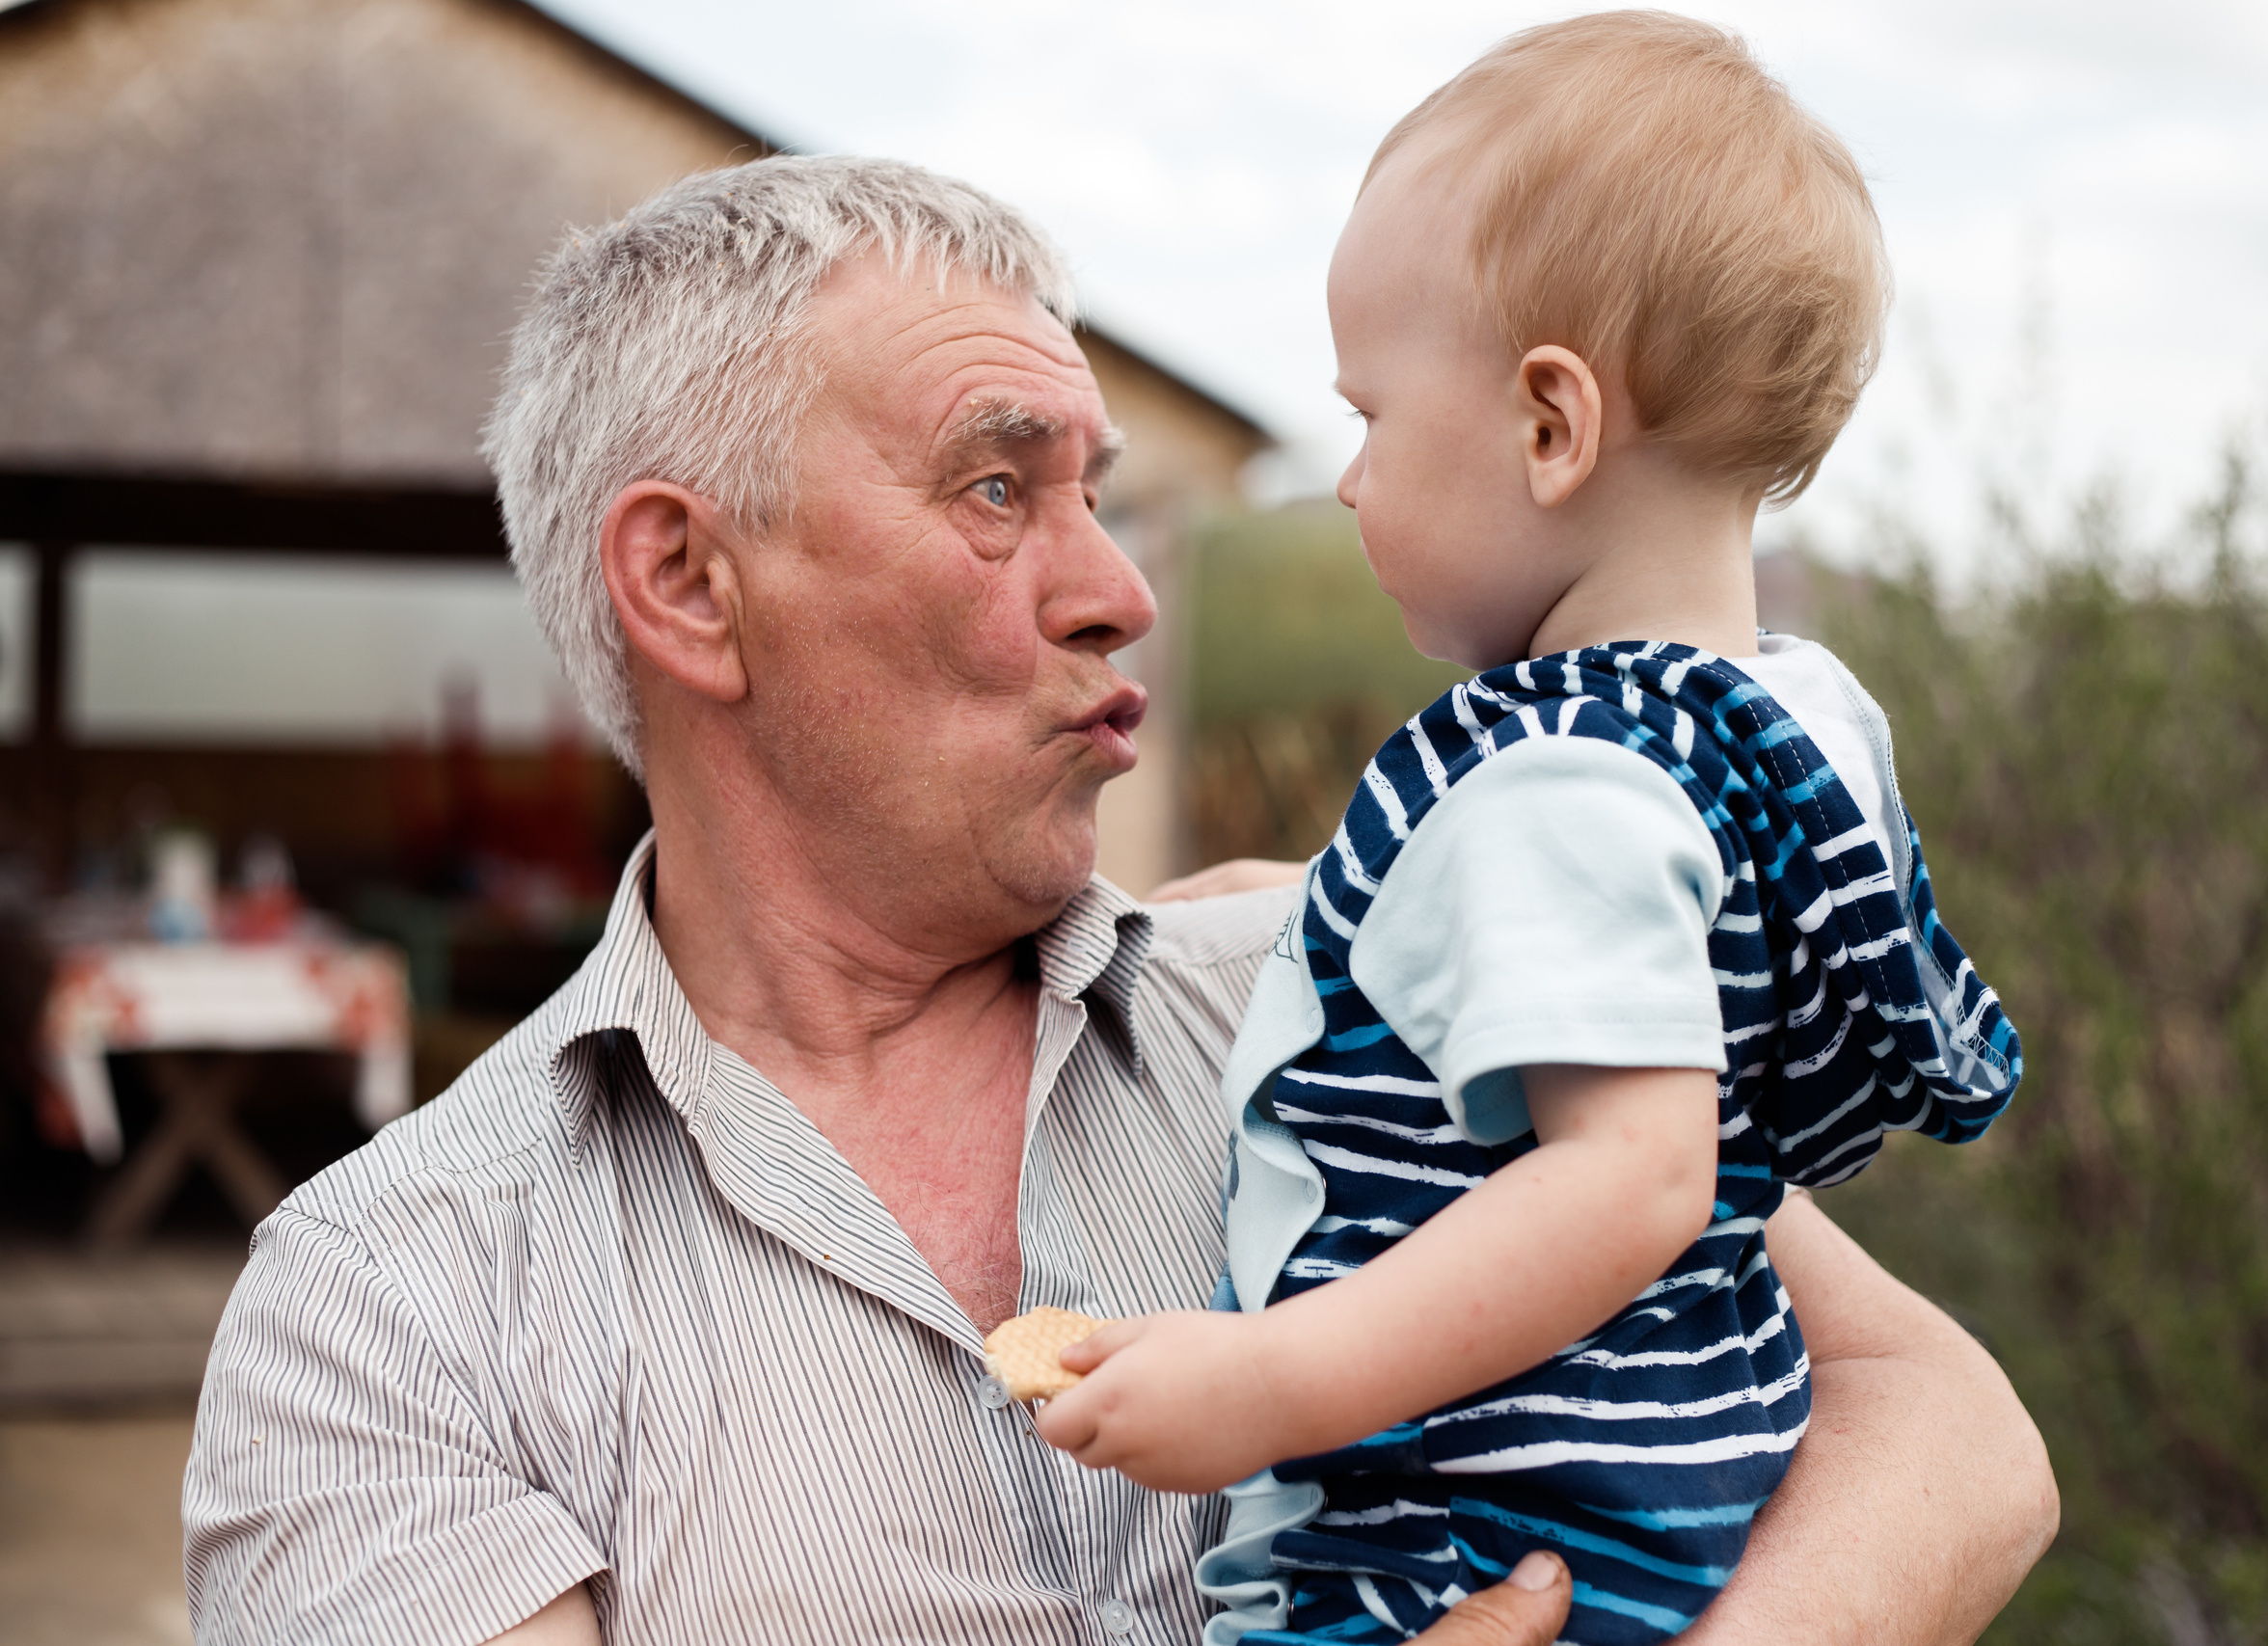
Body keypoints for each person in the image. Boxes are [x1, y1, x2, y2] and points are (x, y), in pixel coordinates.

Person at [182, 154, 2055, 1646]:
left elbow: (1946, 1425)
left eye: (1106, 497)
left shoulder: (1336, 979)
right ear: (686, 582)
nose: (1116, 592)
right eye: (998, 487)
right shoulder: (392, 1307)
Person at [1032, 16, 2025, 1644]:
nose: (1348, 480)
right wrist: (1360, 905)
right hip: (1678, 1483)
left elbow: (1632, 1180)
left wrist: (1268, 1382)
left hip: (1455, 1528)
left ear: (1551, 426)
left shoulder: (1555, 780)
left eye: (1370, 417)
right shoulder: (1788, 721)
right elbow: (1647, 960)